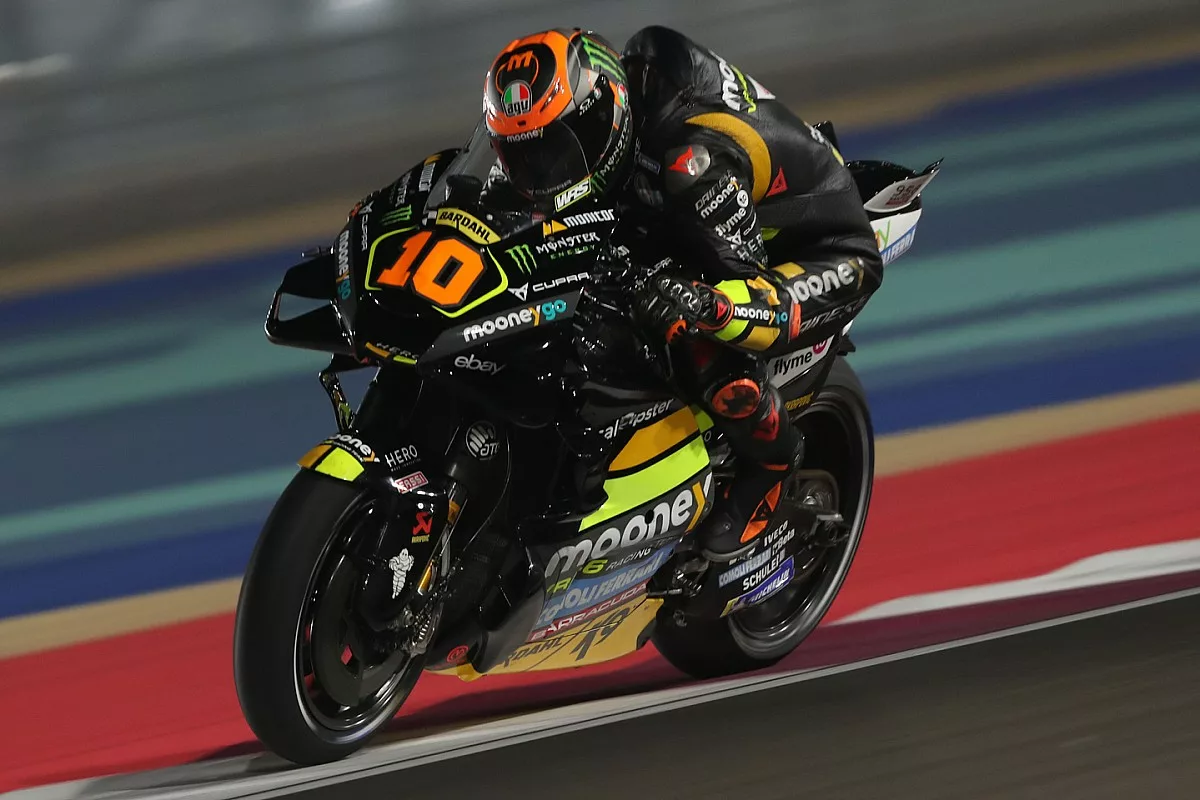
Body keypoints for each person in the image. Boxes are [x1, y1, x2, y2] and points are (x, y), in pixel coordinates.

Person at [369, 26, 885, 562]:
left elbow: (738, 274)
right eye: (520, 154)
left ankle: (772, 466)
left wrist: (691, 298)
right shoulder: (604, 118)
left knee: (702, 328)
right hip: (676, 213)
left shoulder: (691, 162)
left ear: (603, 121)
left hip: (817, 250)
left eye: (553, 153)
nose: (536, 173)